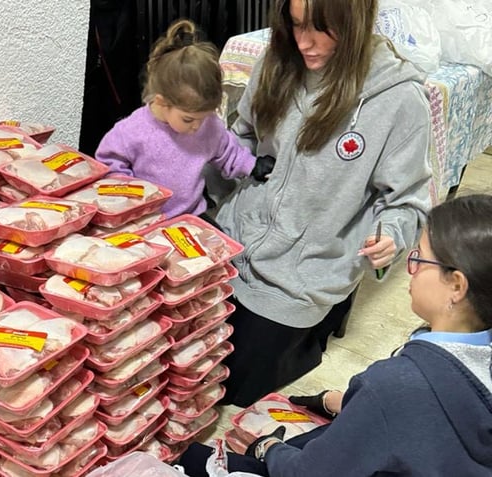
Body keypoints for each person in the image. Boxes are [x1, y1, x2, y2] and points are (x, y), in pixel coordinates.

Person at [213, 0, 432, 407]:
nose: (304, 43)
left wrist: (390, 235)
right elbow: (242, 137)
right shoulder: (276, 61)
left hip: (300, 274)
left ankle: (311, 336)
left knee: (228, 390)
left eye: (321, 29)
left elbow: (408, 201)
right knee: (175, 354)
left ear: (355, 23)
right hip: (230, 241)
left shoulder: (399, 100)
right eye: (296, 25)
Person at [180, 194, 492, 476]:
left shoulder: (394, 383)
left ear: (456, 285)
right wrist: (351, 402)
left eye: (419, 259)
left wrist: (267, 448)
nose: (411, 268)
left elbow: (307, 472)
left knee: (193, 459)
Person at [95, 19, 275, 220]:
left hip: (192, 215)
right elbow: (108, 165)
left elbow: (228, 152)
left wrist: (252, 165)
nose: (197, 126)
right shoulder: (132, 131)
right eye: (188, 120)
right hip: (145, 219)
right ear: (161, 101)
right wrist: (130, 195)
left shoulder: (208, 125)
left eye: (204, 118)